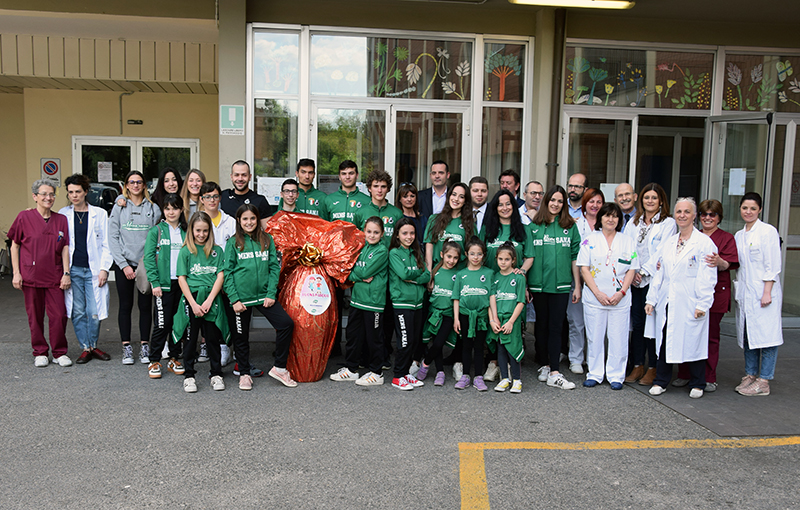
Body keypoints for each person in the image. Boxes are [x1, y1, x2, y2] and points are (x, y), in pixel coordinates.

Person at [645, 197, 717, 399]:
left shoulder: (704, 243)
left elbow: (708, 276)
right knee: (665, 339)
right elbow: (660, 273)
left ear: (694, 216)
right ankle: (661, 380)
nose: (682, 215)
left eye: (687, 212)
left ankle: (697, 383)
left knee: (693, 340)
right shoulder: (668, 243)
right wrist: (651, 300)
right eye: (679, 212)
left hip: (691, 301)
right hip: (668, 300)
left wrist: (703, 304)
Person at [224, 204, 297, 391]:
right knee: (240, 338)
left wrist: (271, 293)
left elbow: (274, 267)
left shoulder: (267, 239)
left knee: (286, 324)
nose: (249, 222)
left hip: (265, 296)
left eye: (252, 218)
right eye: (245, 219)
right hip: (241, 299)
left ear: (257, 219)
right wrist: (234, 299)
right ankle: (245, 374)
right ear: (239, 221)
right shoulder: (232, 243)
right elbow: (227, 272)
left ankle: (279, 367)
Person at [672, 199, 738, 392]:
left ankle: (708, 377)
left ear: (719, 218)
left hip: (716, 293)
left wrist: (720, 261)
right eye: (704, 214)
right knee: (687, 332)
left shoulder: (726, 238)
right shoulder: (691, 236)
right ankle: (684, 373)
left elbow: (730, 265)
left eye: (713, 214)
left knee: (709, 336)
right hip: (688, 294)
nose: (708, 218)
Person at [9, 179, 72, 367]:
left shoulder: (61, 219)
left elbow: (65, 247)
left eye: (51, 194)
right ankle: (40, 352)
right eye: (44, 194)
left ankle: (59, 352)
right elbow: (15, 246)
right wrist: (16, 273)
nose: (48, 197)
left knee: (59, 314)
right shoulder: (24, 217)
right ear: (35, 196)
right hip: (31, 275)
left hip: (55, 275)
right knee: (34, 315)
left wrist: (66, 273)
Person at [577, 202, 638, 389]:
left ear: (619, 220)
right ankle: (595, 373)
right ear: (600, 218)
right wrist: (597, 293)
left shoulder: (627, 240)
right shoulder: (590, 239)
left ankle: (616, 375)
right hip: (595, 297)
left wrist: (621, 292)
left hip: (619, 298)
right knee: (594, 337)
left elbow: (632, 268)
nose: (610, 219)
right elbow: (584, 268)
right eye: (607, 215)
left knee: (618, 337)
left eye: (615, 216)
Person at [527, 185, 581, 390]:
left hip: (561, 286)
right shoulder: (533, 226)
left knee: (556, 327)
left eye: (560, 201)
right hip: (539, 286)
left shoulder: (570, 226)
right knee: (541, 326)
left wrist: (577, 286)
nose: (556, 204)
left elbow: (575, 257)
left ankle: (555, 371)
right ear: (546, 201)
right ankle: (544, 364)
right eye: (553, 200)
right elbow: (528, 257)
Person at [623, 183, 676, 386]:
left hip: (654, 280)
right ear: (641, 200)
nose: (650, 201)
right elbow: (628, 248)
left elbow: (662, 251)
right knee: (637, 325)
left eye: (654, 198)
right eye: (647, 198)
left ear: (661, 200)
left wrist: (644, 270)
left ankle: (653, 367)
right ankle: (638, 365)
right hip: (634, 280)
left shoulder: (668, 223)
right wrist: (634, 270)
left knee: (652, 325)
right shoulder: (634, 223)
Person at [733, 192, 783, 397]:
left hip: (764, 292)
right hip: (746, 293)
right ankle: (751, 375)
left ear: (760, 210)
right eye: (745, 208)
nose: (749, 212)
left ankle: (764, 380)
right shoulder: (739, 234)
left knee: (767, 338)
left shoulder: (767, 232)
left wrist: (767, 292)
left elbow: (773, 264)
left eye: (753, 208)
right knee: (749, 336)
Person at [109, 170, 161, 365]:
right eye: (132, 182)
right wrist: (123, 265)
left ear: (144, 185)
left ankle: (144, 346)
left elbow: (156, 237)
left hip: (145, 265)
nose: (136, 185)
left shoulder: (153, 208)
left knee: (145, 306)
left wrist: (147, 263)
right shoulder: (119, 207)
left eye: (139, 182)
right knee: (125, 305)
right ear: (126, 185)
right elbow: (113, 237)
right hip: (124, 265)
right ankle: (127, 347)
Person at [60, 174, 113, 364]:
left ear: (86, 192)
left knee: (94, 310)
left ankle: (93, 345)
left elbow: (107, 244)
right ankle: (85, 347)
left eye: (78, 192)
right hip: (73, 271)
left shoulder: (99, 213)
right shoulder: (63, 214)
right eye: (71, 192)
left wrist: (104, 269)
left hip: (93, 270)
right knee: (78, 310)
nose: (74, 196)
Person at [173, 212, 228, 393]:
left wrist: (210, 300)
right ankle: (189, 376)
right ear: (191, 230)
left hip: (211, 298)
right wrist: (194, 304)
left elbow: (220, 275)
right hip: (192, 298)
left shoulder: (217, 251)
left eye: (205, 231)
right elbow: (182, 279)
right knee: (190, 340)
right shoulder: (185, 251)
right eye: (198, 230)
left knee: (212, 338)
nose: (201, 234)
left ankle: (216, 373)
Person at [330, 217, 388, 386]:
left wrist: (354, 275)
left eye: (376, 232)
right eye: (369, 231)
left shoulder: (381, 251)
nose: (372, 235)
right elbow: (351, 269)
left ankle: (377, 373)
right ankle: (351, 369)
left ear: (382, 233)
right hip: (357, 301)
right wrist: (356, 276)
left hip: (373, 303)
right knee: (353, 336)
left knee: (374, 339)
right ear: (364, 231)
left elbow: (364, 271)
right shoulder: (361, 248)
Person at [142, 193, 186, 379]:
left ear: (181, 209)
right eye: (167, 208)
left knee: (178, 323)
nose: (171, 212)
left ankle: (174, 358)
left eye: (174, 208)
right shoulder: (157, 231)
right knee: (162, 324)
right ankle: (154, 360)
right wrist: (155, 282)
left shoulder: (186, 231)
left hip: (182, 285)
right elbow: (149, 258)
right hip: (163, 286)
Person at [388, 218, 430, 390]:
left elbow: (427, 275)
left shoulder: (416, 253)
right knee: (404, 342)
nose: (409, 236)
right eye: (405, 233)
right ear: (397, 235)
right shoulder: (394, 253)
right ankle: (397, 376)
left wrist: (417, 278)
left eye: (412, 233)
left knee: (413, 341)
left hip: (417, 304)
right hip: (402, 304)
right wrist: (417, 276)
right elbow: (404, 274)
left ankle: (405, 373)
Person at [566, 188, 604, 375]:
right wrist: (578, 284)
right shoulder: (575, 224)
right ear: (584, 204)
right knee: (576, 322)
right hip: (578, 281)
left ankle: (594, 359)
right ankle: (576, 358)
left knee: (598, 324)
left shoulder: (608, 224)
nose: (595, 205)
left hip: (603, 283)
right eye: (591, 201)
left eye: (598, 202)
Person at [453, 236, 494, 391]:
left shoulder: (489, 273)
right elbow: (456, 298)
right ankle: (464, 376)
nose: (475, 257)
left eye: (479, 254)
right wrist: (456, 318)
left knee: (479, 346)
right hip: (464, 315)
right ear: (466, 254)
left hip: (482, 316)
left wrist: (492, 319)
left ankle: (478, 376)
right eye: (472, 254)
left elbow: (491, 297)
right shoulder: (461, 274)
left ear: (484, 255)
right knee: (465, 345)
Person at [419, 240, 461, 386]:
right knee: (434, 341)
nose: (451, 261)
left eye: (455, 258)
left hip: (448, 314)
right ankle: (440, 372)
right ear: (442, 254)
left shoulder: (458, 275)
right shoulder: (435, 272)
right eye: (449, 256)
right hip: (433, 314)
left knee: (438, 344)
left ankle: (425, 363)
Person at [488, 242, 527, 393]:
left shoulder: (518, 278)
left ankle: (517, 380)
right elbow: (491, 300)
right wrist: (493, 319)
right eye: (500, 259)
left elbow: (521, 301)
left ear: (513, 261)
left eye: (507, 259)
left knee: (513, 349)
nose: (503, 262)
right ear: (496, 259)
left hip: (512, 320)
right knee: (501, 349)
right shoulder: (494, 277)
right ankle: (504, 378)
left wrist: (511, 321)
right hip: (498, 319)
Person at [423, 182, 475, 273]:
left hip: (460, 272)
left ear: (465, 201)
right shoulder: (434, 219)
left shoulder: (469, 224)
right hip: (438, 271)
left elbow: (472, 251)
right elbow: (429, 249)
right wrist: (429, 273)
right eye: (454, 194)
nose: (456, 199)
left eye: (461, 197)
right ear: (449, 196)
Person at [353, 169, 403, 246]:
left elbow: (401, 241)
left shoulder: (397, 213)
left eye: (383, 187)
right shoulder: (360, 212)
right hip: (366, 257)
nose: (379, 190)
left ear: (388, 189)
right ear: (369, 188)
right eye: (375, 186)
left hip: (389, 257)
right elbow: (354, 240)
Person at [221, 160, 272, 229]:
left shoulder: (260, 200)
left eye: (244, 175)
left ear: (250, 177)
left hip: (251, 239)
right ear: (231, 177)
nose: (240, 179)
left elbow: (269, 232)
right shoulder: (223, 197)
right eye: (236, 175)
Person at [321, 160, 370, 224]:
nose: (347, 177)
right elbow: (324, 226)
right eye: (344, 174)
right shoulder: (329, 199)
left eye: (351, 173)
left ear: (357, 175)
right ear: (339, 177)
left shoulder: (367, 200)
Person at [397, 182, 425, 249]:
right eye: (405, 196)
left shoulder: (422, 218)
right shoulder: (397, 217)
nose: (409, 199)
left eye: (412, 196)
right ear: (400, 199)